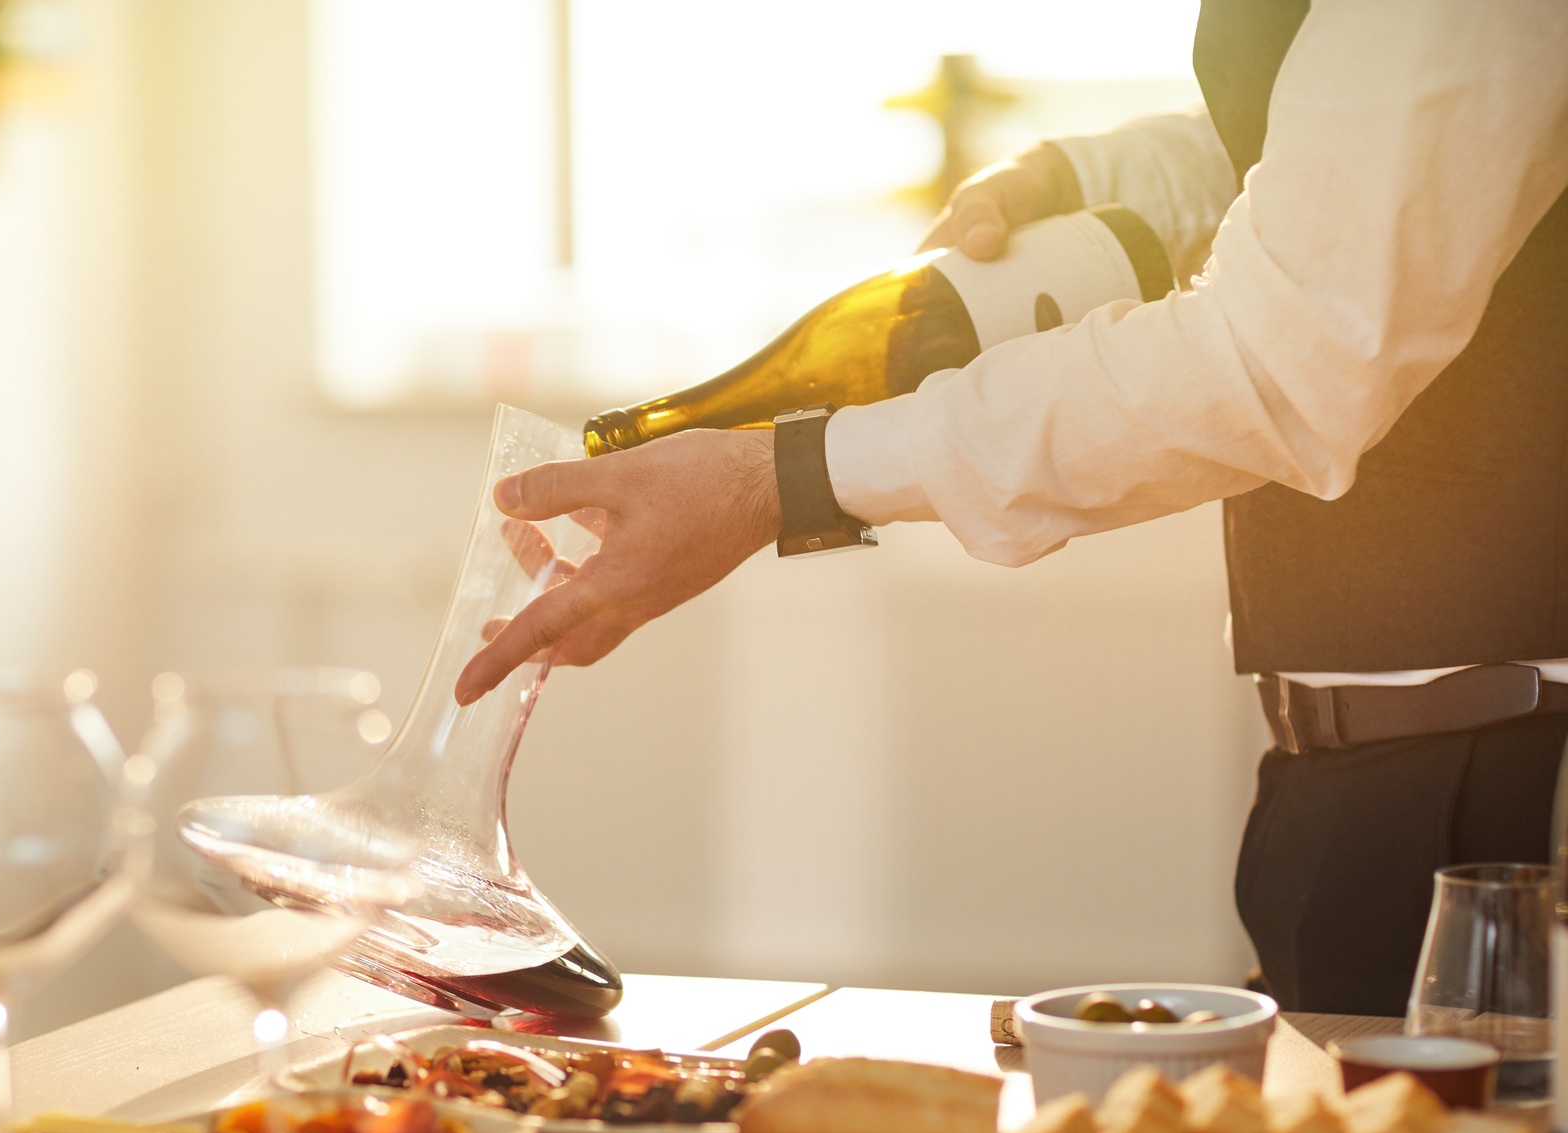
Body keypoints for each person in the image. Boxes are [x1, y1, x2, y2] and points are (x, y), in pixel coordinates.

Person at [455, 0, 1568, 1017]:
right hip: (1353, 780)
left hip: (1503, 799)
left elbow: (1278, 358)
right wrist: (1081, 173)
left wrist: (781, 480)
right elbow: (1351, 136)